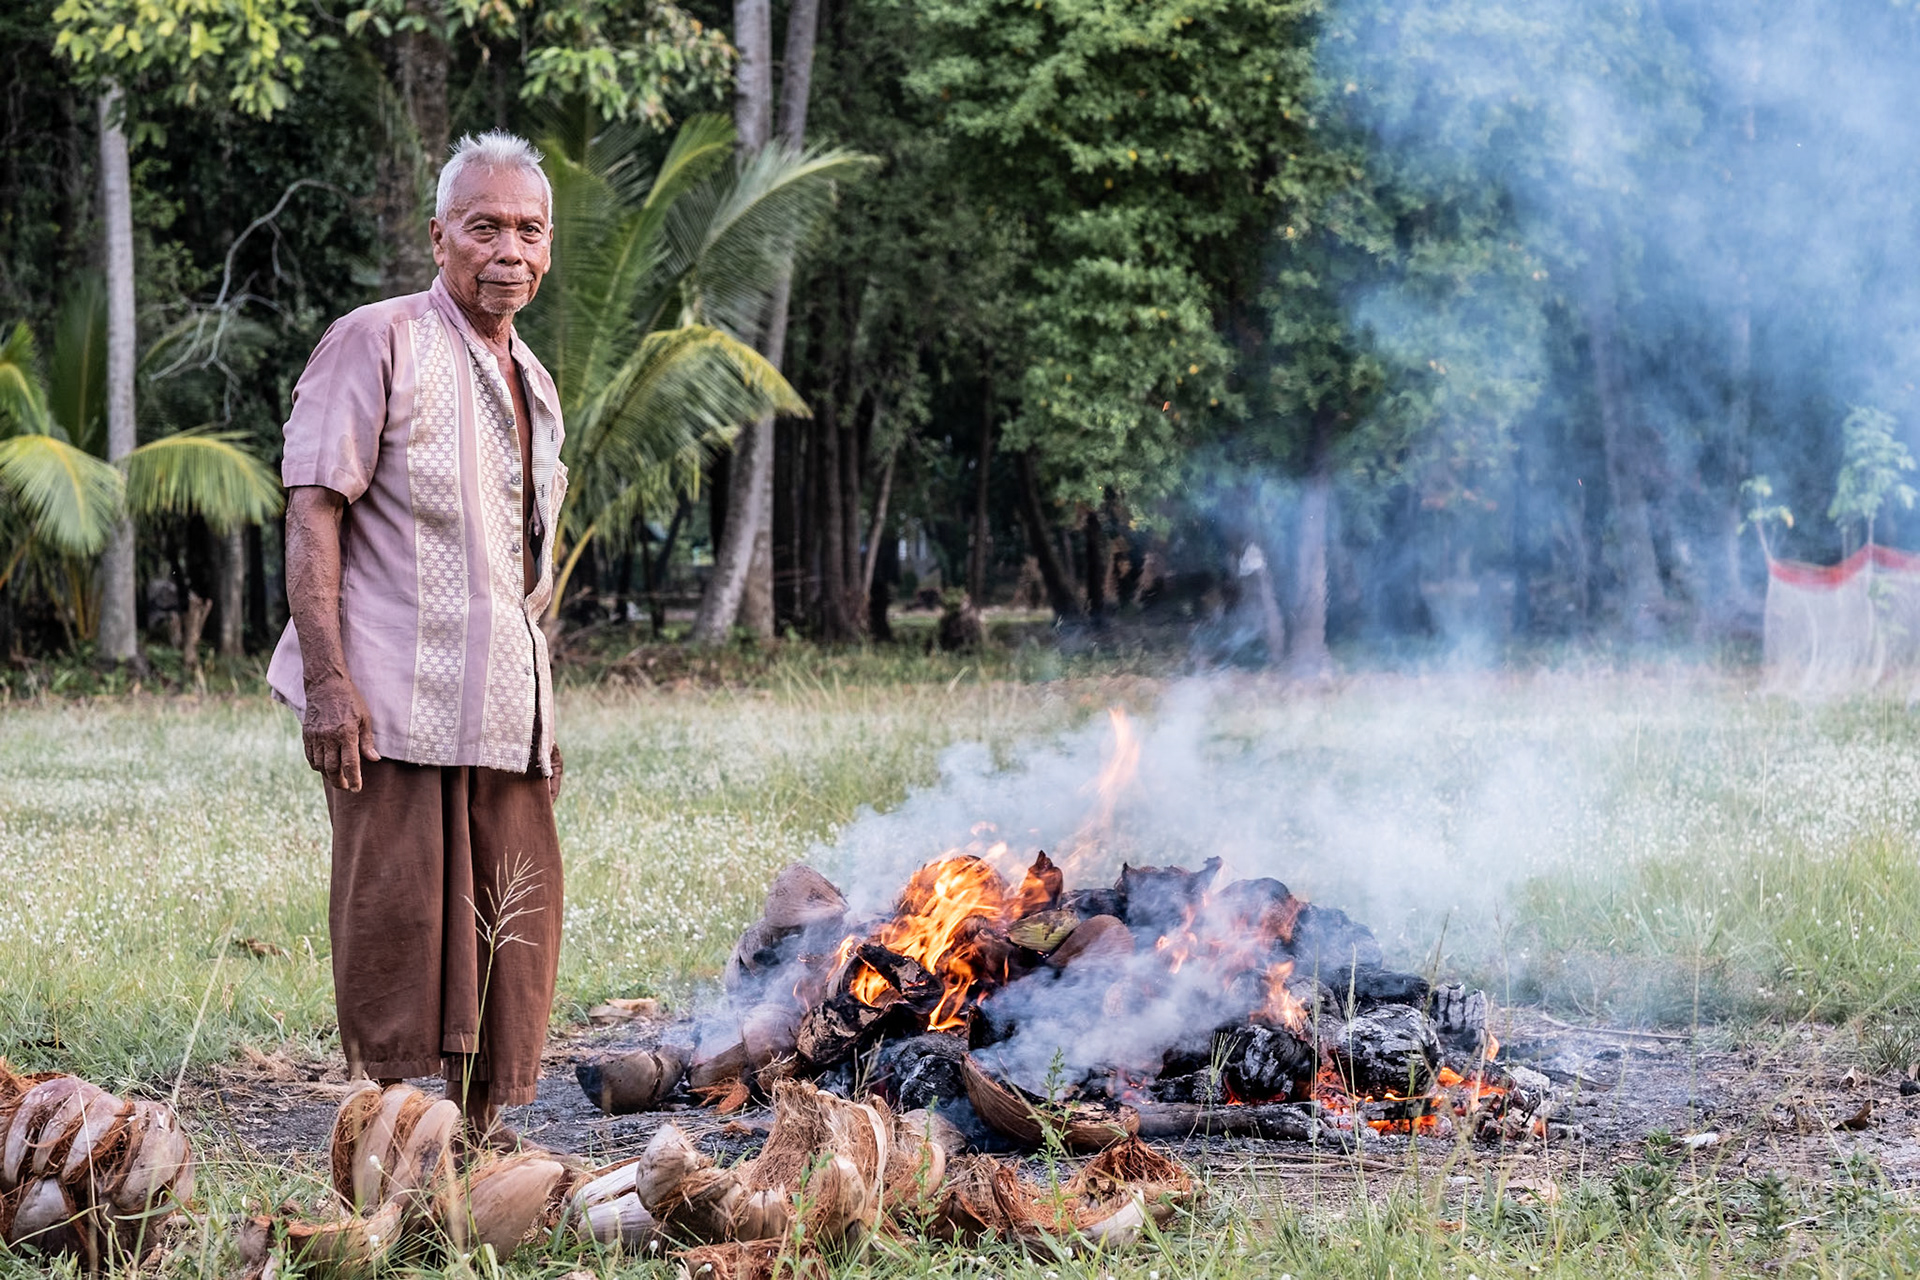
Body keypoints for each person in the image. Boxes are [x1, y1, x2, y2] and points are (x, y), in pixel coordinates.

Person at [267, 130, 568, 1148]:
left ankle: (475, 1147)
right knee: (397, 924)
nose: (508, 250)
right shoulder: (378, 338)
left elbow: (523, 567)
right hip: (392, 702)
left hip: (502, 713)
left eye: (528, 230)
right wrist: (327, 683)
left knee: (508, 933)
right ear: (440, 236)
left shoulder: (533, 376)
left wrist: (542, 710)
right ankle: (399, 1144)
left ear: (549, 247)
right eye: (484, 226)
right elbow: (313, 508)